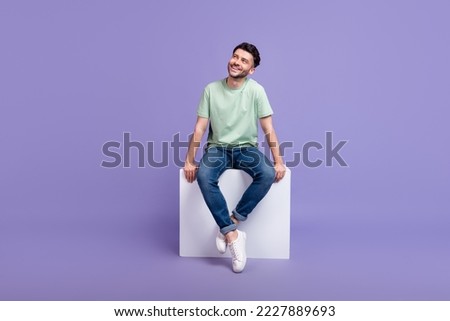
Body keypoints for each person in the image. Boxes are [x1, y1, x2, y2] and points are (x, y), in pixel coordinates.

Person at [183, 42, 286, 273]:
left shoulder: (256, 90)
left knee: (267, 173)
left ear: (251, 70)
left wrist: (278, 161)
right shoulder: (211, 89)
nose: (236, 62)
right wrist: (189, 159)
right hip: (217, 149)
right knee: (204, 175)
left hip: (245, 149)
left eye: (243, 60)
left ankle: (230, 223)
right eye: (235, 57)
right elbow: (200, 128)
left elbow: (268, 129)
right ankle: (232, 235)